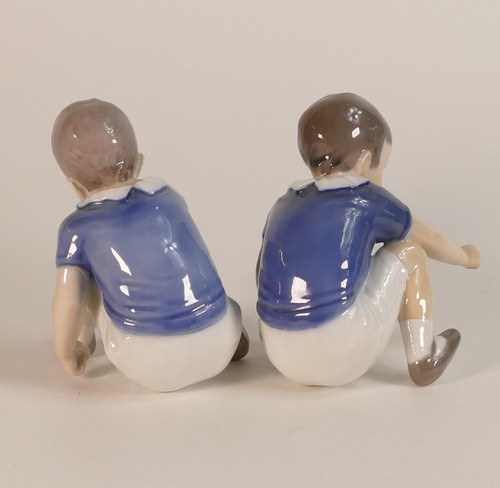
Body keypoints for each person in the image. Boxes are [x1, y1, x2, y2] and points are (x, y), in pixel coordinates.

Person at [257, 93, 479, 386]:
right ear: (364, 161)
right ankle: (424, 355)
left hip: (279, 353)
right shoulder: (364, 197)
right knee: (410, 252)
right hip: (339, 351)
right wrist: (465, 257)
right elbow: (431, 238)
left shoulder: (284, 204)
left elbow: (261, 272)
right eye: (382, 166)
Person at [52, 98, 248, 392]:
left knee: (86, 279)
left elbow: (68, 302)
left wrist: (66, 354)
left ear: (74, 186)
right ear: (139, 163)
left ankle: (85, 338)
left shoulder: (76, 228)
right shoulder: (167, 196)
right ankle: (229, 337)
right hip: (220, 333)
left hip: (151, 364)